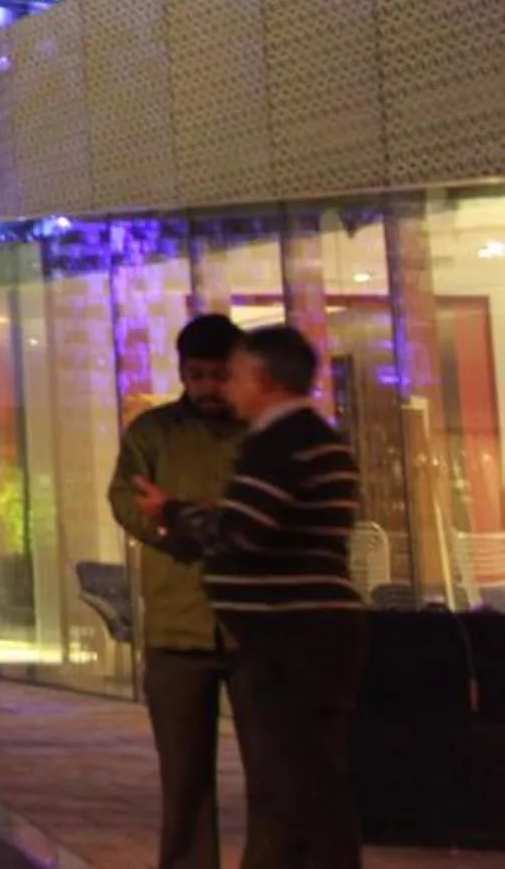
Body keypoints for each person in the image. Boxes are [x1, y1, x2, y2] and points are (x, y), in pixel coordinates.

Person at [133, 324, 367, 869]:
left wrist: (174, 513)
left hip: (291, 637)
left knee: (299, 781)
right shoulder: (312, 439)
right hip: (295, 633)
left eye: (234, 375)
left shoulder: (281, 444)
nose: (227, 387)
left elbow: (243, 533)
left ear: (262, 379)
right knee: (301, 779)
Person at [107, 312, 245, 869]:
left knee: (273, 771)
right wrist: (170, 526)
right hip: (176, 623)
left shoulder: (259, 432)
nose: (209, 388)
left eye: (219, 375)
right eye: (198, 375)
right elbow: (125, 501)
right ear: (183, 373)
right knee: (184, 777)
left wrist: (191, 517)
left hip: (250, 626)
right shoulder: (153, 432)